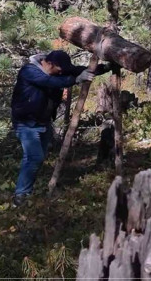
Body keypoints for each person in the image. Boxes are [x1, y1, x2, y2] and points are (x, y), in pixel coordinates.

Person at [10, 50, 111, 206]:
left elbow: (82, 70)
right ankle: (20, 196)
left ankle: (28, 191)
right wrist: (76, 80)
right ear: (49, 63)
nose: (62, 71)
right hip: (26, 123)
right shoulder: (29, 71)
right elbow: (49, 82)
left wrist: (105, 68)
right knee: (33, 157)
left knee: (38, 157)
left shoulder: (58, 68)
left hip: (43, 122)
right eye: (59, 69)